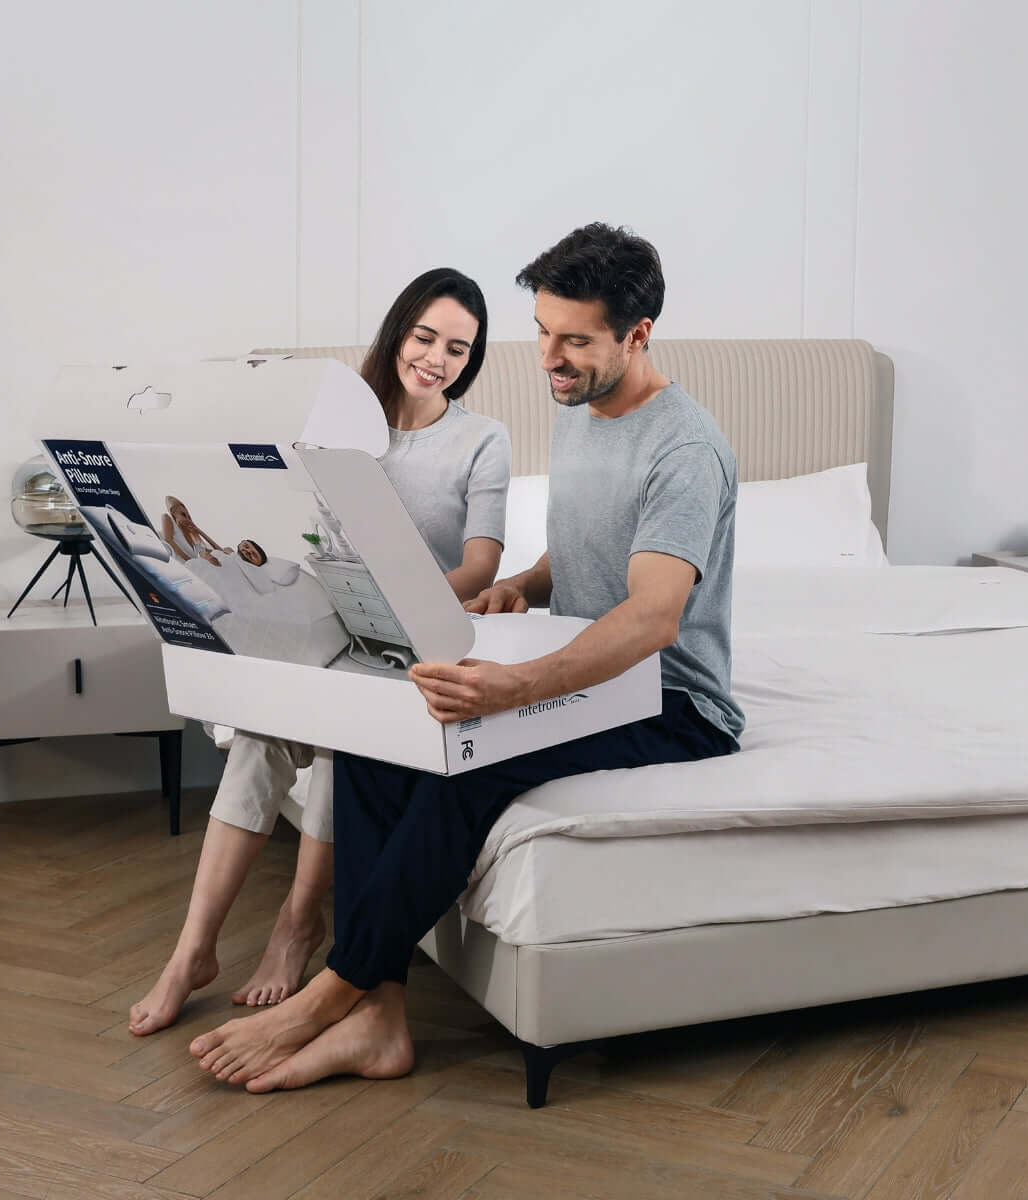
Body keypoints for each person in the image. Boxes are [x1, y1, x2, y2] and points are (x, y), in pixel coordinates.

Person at [185, 222, 745, 1092]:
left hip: (673, 703)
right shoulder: (587, 408)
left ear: (638, 336)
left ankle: (336, 990)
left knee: (470, 763)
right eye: (543, 333)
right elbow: (591, 549)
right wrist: (521, 584)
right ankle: (383, 1017)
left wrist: (513, 688)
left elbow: (651, 618)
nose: (550, 358)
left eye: (575, 340)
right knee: (389, 736)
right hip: (596, 671)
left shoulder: (684, 448)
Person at [128, 268, 511, 1035]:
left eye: (458, 349)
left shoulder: (481, 440)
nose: (436, 359)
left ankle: (299, 925)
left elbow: (481, 566)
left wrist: (406, 591)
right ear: (399, 331)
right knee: (256, 745)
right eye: (425, 337)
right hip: (318, 621)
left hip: (404, 637)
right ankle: (191, 952)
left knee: (343, 739)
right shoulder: (333, 426)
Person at [162, 496, 230, 567]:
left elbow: (224, 553)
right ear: (173, 512)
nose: (187, 519)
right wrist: (189, 560)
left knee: (226, 551)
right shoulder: (167, 517)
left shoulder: (195, 546)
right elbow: (168, 540)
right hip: (185, 566)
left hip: (193, 566)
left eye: (189, 518)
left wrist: (199, 531)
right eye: (183, 514)